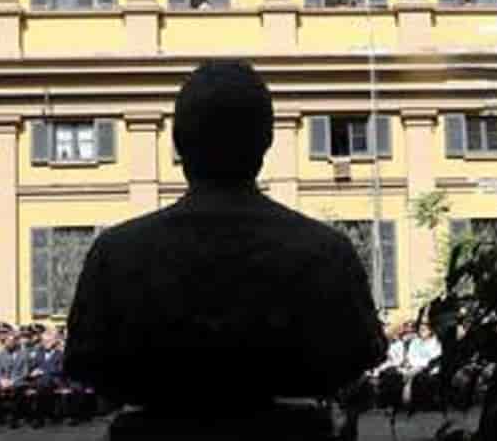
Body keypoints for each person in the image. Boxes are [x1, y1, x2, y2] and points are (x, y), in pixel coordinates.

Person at [65, 60, 386, 440]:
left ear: (179, 142)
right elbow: (359, 353)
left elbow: (86, 362)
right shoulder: (326, 251)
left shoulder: (115, 254)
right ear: (267, 140)